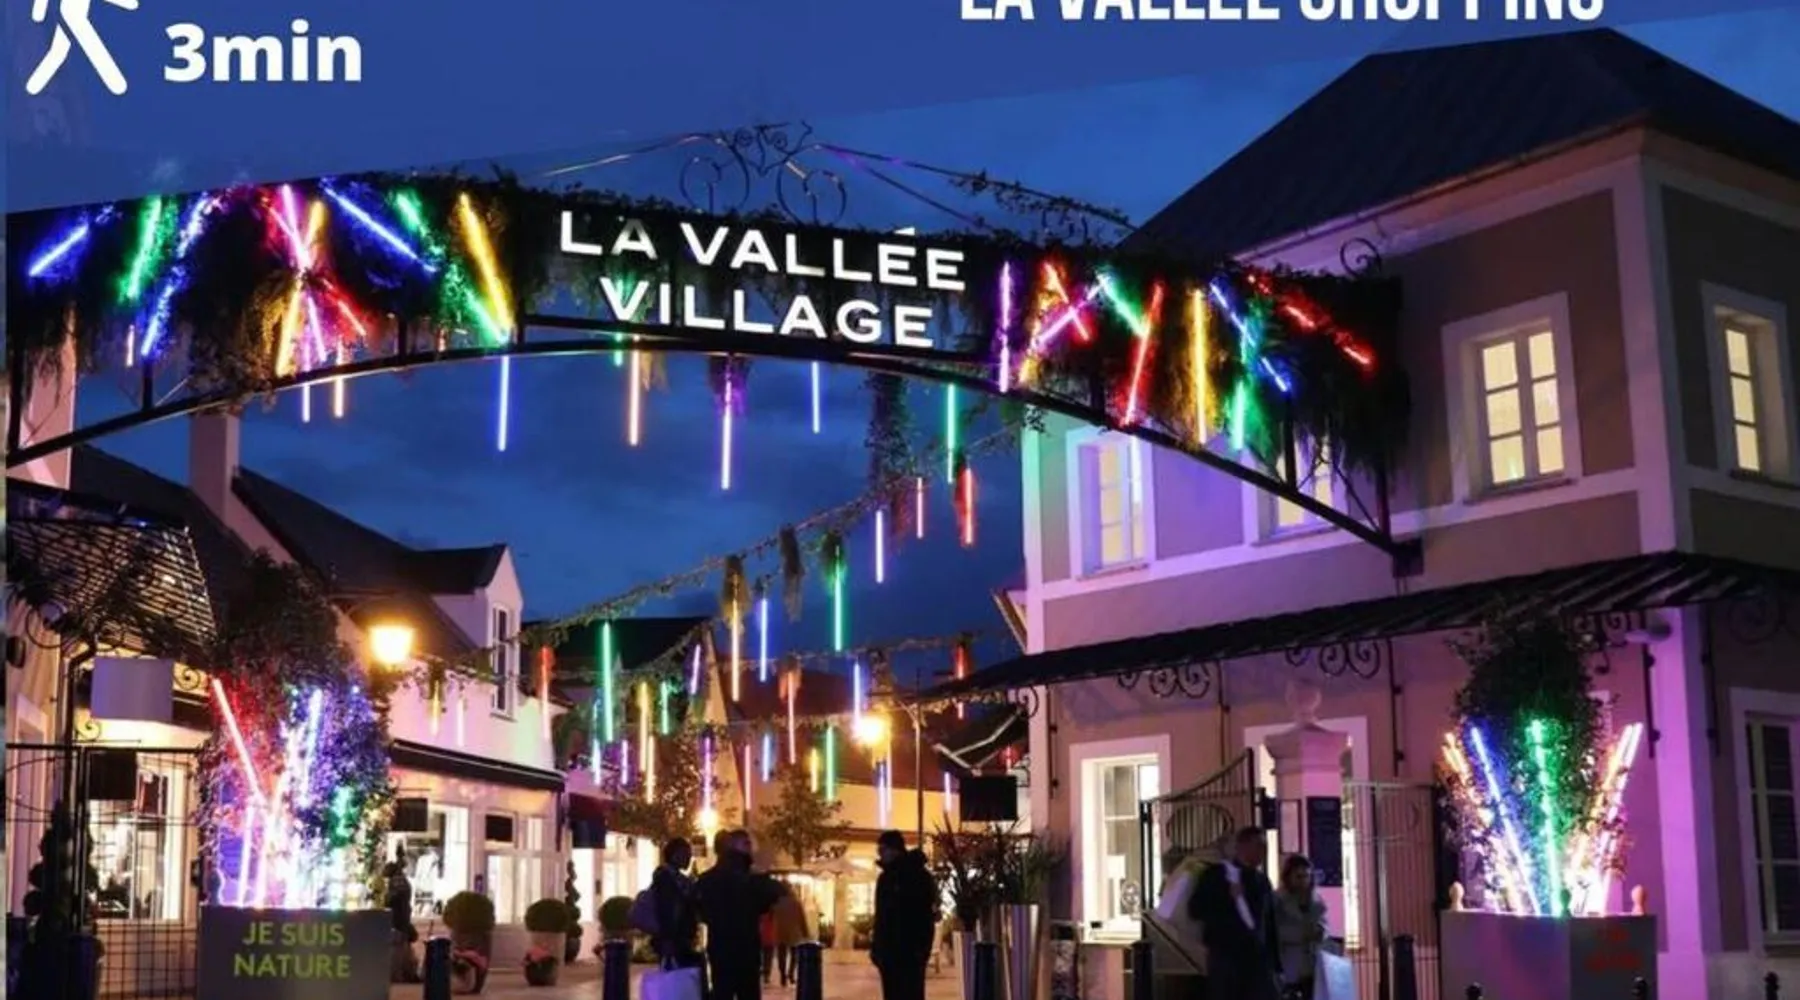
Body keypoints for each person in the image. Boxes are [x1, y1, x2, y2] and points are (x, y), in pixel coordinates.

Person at [1189, 827, 1281, 1000]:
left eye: (1265, 847)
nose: (1263, 852)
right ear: (1242, 846)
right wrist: (1227, 898)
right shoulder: (1216, 876)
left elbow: (1268, 922)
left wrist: (1275, 963)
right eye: (1258, 845)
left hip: (1257, 958)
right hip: (1226, 956)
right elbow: (1196, 910)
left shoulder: (1262, 881)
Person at [695, 829, 782, 1000]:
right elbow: (771, 898)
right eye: (747, 844)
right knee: (748, 991)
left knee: (722, 991)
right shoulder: (752, 878)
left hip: (720, 947)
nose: (751, 848)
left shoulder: (707, 879)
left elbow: (701, 911)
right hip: (746, 947)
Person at [871, 831, 937, 1000]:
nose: (880, 854)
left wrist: (921, 951)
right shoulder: (887, 878)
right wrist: (878, 950)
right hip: (893, 954)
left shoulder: (918, 877)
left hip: (908, 953)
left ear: (895, 850)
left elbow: (925, 916)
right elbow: (881, 917)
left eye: (883, 849)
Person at [1273, 855, 1327, 1000]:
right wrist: (1301, 934)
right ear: (1288, 877)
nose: (1303, 881)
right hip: (1289, 967)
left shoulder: (1316, 900)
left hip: (1313, 966)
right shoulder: (1277, 900)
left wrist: (1321, 931)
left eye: (1307, 876)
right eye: (1298, 876)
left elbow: (1324, 923)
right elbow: (1274, 931)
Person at [650, 838, 703, 970]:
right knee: (677, 974)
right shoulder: (666, 878)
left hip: (679, 938)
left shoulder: (677, 878)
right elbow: (668, 910)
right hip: (674, 939)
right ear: (675, 855)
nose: (689, 858)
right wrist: (668, 938)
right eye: (686, 854)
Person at [772, 883, 808, 987]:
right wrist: (805, 932)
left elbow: (771, 916)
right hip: (794, 932)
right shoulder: (796, 903)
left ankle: (783, 975)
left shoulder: (777, 902)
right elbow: (802, 918)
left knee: (781, 955)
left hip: (780, 931)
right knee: (794, 955)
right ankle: (791, 974)